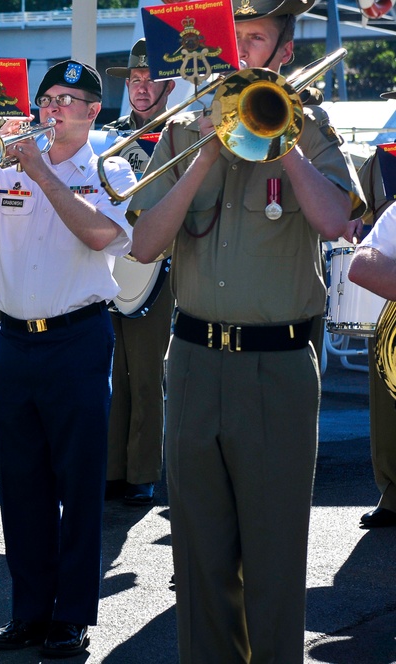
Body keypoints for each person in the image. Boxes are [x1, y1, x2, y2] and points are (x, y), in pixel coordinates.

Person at [127, 0, 365, 659]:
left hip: (277, 367)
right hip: (197, 359)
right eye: (235, 38)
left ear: (283, 53)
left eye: (255, 38)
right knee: (199, 559)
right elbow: (144, 245)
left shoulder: (308, 124)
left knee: (274, 562)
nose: (241, 51)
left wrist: (279, 138)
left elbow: (338, 220)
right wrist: (204, 150)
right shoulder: (183, 128)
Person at [0, 60, 136, 658]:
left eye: (67, 99)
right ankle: (28, 612)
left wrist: (42, 171)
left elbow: (102, 236)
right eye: (47, 97)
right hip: (14, 341)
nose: (52, 109)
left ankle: (72, 616)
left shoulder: (109, 166)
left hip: (78, 339)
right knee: (21, 484)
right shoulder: (8, 162)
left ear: (92, 112)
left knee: (79, 484)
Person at [102, 38, 176, 505]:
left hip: (160, 264)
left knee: (147, 371)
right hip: (111, 262)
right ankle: (111, 468)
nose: (141, 87)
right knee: (112, 369)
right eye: (134, 79)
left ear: (168, 83)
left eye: (149, 79)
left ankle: (143, 470)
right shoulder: (110, 134)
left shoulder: (182, 133)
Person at [350, 119, 396, 529]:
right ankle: (392, 491)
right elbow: (358, 221)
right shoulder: (379, 162)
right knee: (387, 396)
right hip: (389, 290)